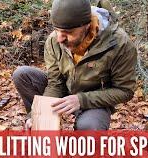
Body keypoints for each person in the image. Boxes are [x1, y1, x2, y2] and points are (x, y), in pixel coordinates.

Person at [12, 0, 137, 130]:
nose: (60, 38)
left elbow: (125, 91)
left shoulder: (119, 44)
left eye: (68, 32)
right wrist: (37, 115)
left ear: (87, 26)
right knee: (22, 75)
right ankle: (46, 129)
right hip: (66, 88)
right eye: (57, 30)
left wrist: (81, 100)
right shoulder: (54, 40)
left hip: (95, 99)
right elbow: (55, 83)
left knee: (90, 127)